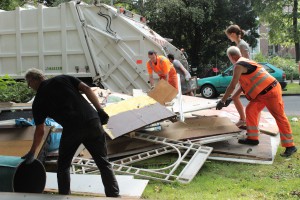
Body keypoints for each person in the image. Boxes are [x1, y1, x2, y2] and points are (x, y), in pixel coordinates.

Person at [22, 68, 120, 197]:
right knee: (103, 161)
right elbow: (87, 89)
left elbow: (40, 130)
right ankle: (114, 195)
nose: (31, 87)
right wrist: (100, 110)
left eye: (29, 85)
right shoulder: (62, 78)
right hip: (92, 121)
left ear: (33, 80)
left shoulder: (38, 101)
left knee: (63, 165)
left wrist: (32, 152)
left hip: (72, 129)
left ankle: (65, 196)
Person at [216, 46, 297, 157]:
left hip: (271, 92)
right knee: (250, 110)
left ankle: (290, 146)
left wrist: (222, 100)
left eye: (229, 57)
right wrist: (231, 98)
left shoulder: (239, 65)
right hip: (261, 94)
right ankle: (253, 138)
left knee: (279, 117)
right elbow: (242, 85)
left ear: (231, 56)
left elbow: (232, 85)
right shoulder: (245, 62)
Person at [225, 24, 251, 128]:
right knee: (235, 97)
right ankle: (243, 119)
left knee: (235, 97)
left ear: (232, 34)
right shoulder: (239, 45)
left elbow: (248, 62)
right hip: (243, 75)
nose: (228, 37)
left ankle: (244, 120)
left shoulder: (242, 45)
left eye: (228, 35)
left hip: (246, 76)